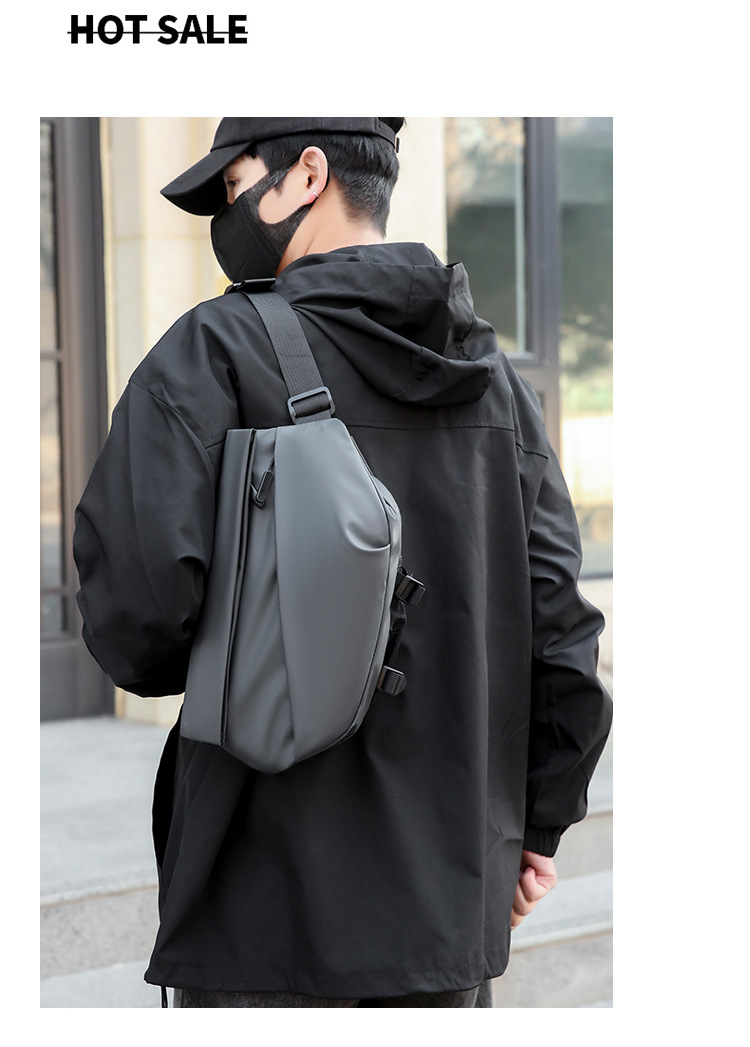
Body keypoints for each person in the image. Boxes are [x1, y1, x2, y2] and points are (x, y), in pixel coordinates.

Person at [73, 117, 612, 1008]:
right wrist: (537, 825)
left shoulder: (213, 353)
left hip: (262, 919)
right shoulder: (497, 383)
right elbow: (561, 635)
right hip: (442, 922)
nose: (227, 215)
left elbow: (136, 627)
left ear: (308, 174)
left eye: (236, 186)